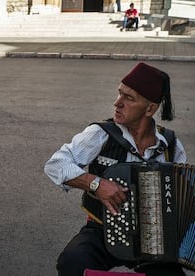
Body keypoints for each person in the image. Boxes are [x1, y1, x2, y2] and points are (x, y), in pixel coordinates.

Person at [44, 62, 187, 276]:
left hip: (154, 238)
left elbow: (184, 197)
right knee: (73, 261)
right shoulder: (101, 134)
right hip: (102, 230)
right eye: (120, 93)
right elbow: (56, 164)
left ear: (150, 109)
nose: (117, 103)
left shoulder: (170, 145)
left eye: (129, 98)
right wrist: (96, 184)